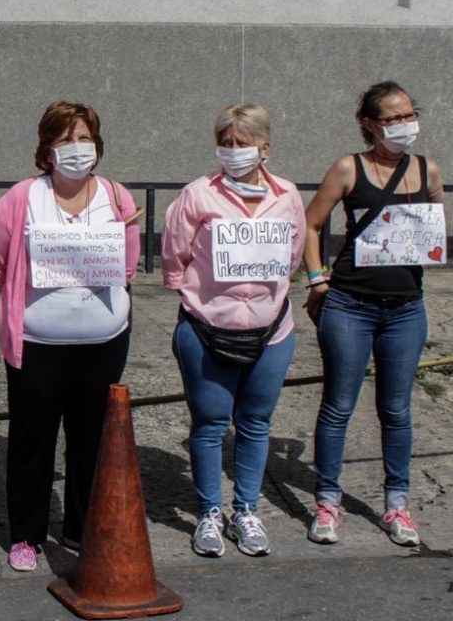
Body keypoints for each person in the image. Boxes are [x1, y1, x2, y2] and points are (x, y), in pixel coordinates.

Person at [0, 100, 141, 572]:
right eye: (65, 139)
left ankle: (81, 527)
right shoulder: (21, 198)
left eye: (84, 137)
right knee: (32, 441)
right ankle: (26, 535)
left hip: (103, 341)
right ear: (46, 148)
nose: (76, 148)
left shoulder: (116, 196)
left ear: (98, 144)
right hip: (37, 343)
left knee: (93, 438)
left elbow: (128, 264)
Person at [302, 81, 444, 547]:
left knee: (397, 410)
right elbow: (311, 222)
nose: (405, 125)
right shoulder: (349, 167)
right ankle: (327, 500)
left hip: (406, 307)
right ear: (369, 125)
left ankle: (397, 504)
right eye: (393, 119)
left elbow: (433, 225)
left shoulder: (428, 169)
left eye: (410, 115)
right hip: (349, 304)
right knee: (339, 405)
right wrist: (317, 279)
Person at [162, 104, 305, 558]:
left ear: (266, 147)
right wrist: (198, 294)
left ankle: (245, 510)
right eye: (226, 142)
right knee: (208, 425)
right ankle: (208, 512)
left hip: (271, 330)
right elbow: (174, 254)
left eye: (243, 143)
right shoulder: (197, 194)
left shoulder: (288, 196)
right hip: (206, 328)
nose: (234, 151)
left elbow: (294, 253)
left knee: (256, 424)